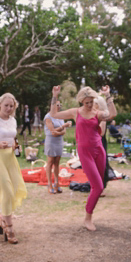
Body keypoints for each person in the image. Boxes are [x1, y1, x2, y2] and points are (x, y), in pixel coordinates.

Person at [49, 84, 116, 231]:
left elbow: (112, 114)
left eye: (91, 101)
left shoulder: (97, 113)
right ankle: (88, 218)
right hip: (85, 153)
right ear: (81, 102)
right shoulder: (75, 112)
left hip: (99, 150)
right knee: (98, 186)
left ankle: (89, 214)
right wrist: (55, 95)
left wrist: (108, 95)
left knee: (98, 187)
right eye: (87, 102)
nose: (90, 105)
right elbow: (54, 114)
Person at [0, 92, 26, 245]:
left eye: (11, 106)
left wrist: (15, 145)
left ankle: (3, 219)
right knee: (6, 190)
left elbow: (13, 138)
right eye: (6, 105)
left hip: (10, 158)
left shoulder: (13, 120)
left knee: (13, 189)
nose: (8, 108)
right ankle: (9, 227)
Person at [43, 107, 68, 195]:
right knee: (50, 162)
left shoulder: (60, 116)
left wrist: (59, 132)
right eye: (56, 105)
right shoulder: (48, 117)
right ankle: (49, 184)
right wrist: (62, 127)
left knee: (57, 162)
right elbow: (52, 132)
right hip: (51, 142)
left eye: (59, 105)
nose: (58, 107)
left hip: (59, 141)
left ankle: (57, 183)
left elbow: (63, 132)